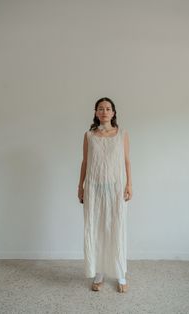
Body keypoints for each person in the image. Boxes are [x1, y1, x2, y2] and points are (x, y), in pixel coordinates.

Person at [78, 97, 132, 293]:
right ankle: (99, 273)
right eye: (100, 109)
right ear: (95, 112)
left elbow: (127, 161)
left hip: (116, 188)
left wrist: (129, 185)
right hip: (94, 187)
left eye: (108, 109)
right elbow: (85, 162)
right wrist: (80, 186)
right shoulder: (89, 135)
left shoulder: (122, 134)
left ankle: (120, 274)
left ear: (113, 112)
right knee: (96, 229)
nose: (104, 112)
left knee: (116, 228)